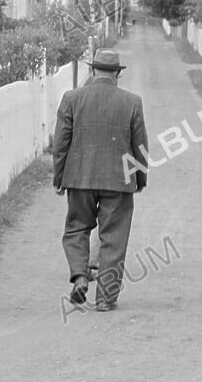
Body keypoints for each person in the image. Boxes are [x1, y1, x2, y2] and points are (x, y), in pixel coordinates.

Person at [52, 48, 148, 311]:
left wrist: (59, 178)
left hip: (79, 177)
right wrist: (140, 178)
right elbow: (140, 146)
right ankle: (105, 299)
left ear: (93, 71)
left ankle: (81, 276)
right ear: (117, 73)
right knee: (114, 238)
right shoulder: (132, 102)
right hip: (118, 181)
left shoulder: (72, 98)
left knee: (76, 229)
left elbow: (60, 144)